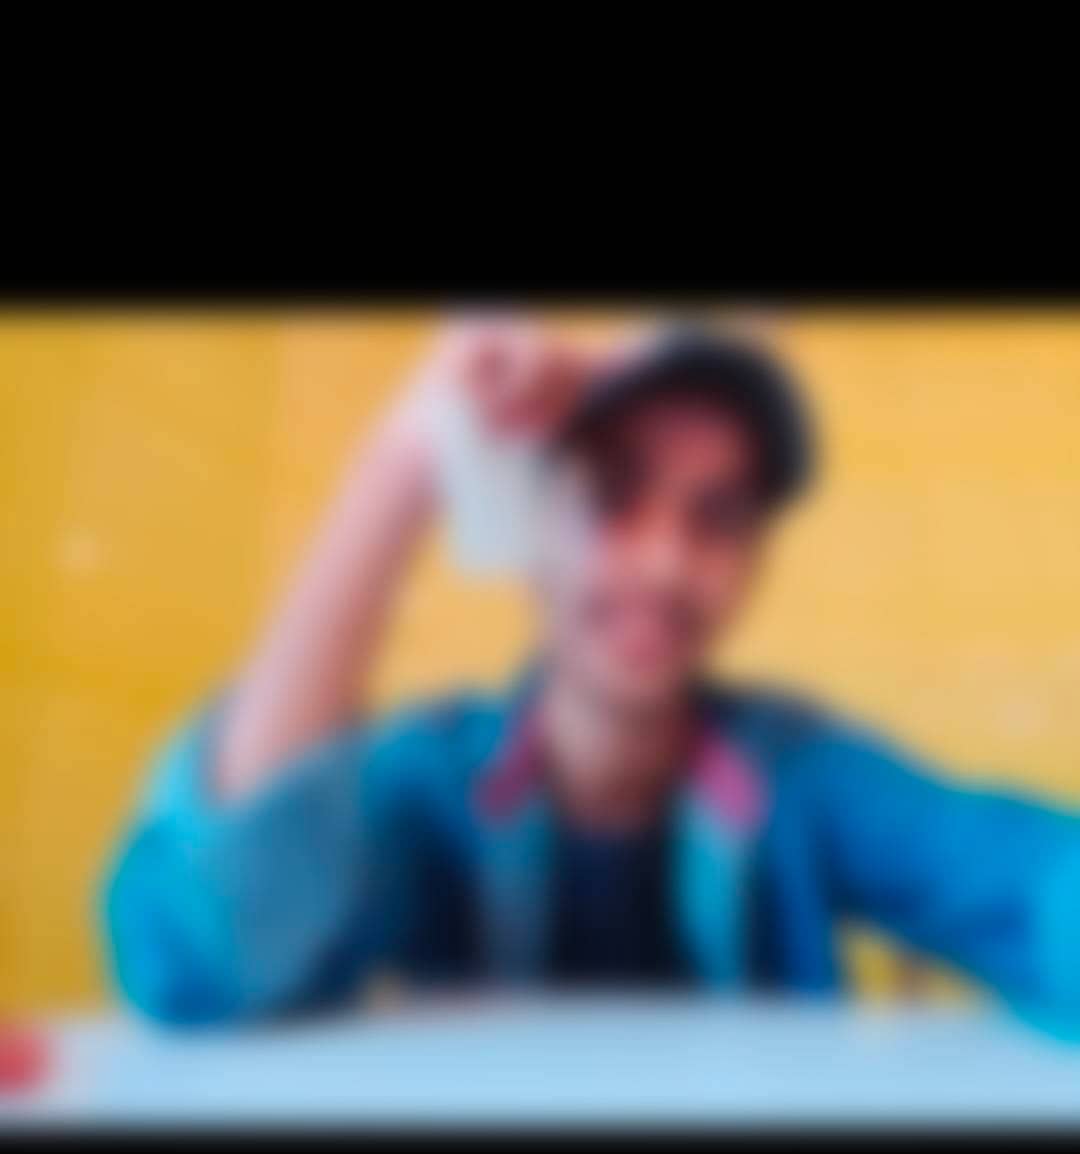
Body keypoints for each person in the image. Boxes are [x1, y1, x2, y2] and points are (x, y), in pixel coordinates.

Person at [101, 318, 1080, 1024]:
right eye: (613, 496)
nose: (664, 563)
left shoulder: (803, 773)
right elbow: (200, 958)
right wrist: (411, 454)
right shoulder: (430, 780)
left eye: (717, 516)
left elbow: (1026, 882)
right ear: (534, 531)